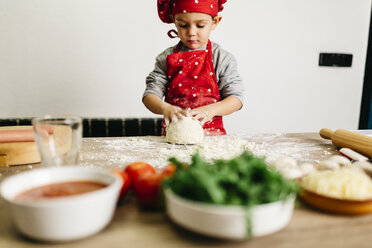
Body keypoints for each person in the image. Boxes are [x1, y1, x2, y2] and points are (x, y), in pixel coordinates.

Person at [143, 0, 244, 135]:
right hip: (173, 139)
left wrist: (211, 110)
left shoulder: (221, 58)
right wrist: (165, 108)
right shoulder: (166, 58)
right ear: (174, 20)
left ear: (215, 22)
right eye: (183, 25)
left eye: (200, 25)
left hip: (213, 139)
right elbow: (149, 96)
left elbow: (236, 99)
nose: (191, 32)